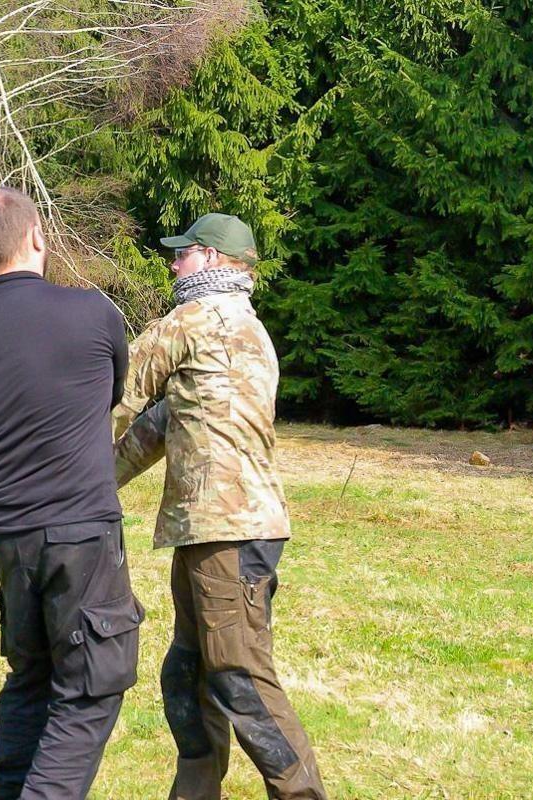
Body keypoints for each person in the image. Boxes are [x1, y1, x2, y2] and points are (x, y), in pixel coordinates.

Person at [0, 187, 143, 800]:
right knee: (90, 688)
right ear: (37, 237)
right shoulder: (94, 313)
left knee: (31, 678)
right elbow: (109, 395)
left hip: (11, 536)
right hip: (82, 530)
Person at [113, 213, 327, 800]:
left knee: (239, 677)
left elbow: (113, 394)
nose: (173, 263)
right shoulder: (250, 330)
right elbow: (165, 422)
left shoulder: (192, 320)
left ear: (209, 258)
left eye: (182, 253)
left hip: (225, 532)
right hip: (226, 528)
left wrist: (56, 467)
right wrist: (95, 485)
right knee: (189, 673)